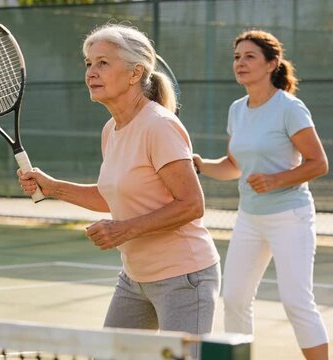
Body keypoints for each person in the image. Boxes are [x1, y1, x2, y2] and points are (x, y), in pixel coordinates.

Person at [18, 24, 220, 359]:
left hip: (185, 279)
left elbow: (191, 205)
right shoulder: (111, 129)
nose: (91, 73)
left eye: (103, 63)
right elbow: (113, 194)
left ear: (134, 73)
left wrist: (122, 229)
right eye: (88, 64)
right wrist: (53, 188)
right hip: (134, 278)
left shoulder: (159, 126)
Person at [193, 30, 329, 359]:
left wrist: (276, 180)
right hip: (249, 219)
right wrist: (199, 164)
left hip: (290, 217)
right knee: (235, 299)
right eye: (237, 57)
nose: (240, 63)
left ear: (272, 64)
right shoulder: (237, 109)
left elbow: (318, 163)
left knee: (297, 301)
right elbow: (233, 165)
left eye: (249, 56)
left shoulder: (290, 108)